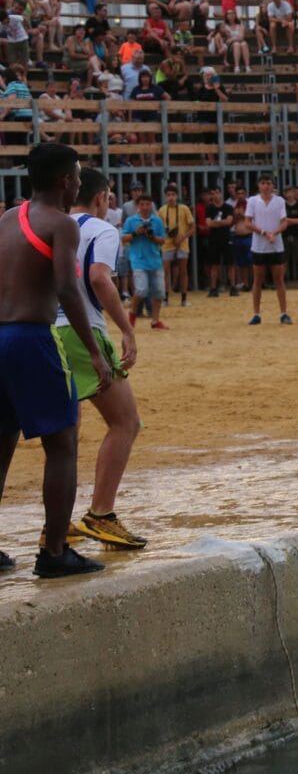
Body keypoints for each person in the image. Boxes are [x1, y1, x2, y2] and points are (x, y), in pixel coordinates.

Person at [0, 143, 111, 577]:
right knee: (62, 444)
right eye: (79, 177)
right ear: (66, 180)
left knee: (2, 441)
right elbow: (67, 287)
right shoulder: (62, 225)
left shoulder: (9, 217)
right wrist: (96, 352)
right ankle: (54, 551)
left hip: (1, 334)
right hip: (32, 338)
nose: (81, 184)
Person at [54, 168, 145, 549]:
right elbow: (98, 277)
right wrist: (126, 327)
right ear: (102, 198)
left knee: (64, 436)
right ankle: (101, 514)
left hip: (48, 331)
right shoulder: (101, 229)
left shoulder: (51, 224)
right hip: (83, 329)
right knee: (126, 422)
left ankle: (55, 526)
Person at [246, 174, 291, 325]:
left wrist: (275, 233)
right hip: (259, 245)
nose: (266, 186)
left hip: (276, 245)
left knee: (279, 279)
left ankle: (284, 312)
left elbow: (284, 222)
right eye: (263, 183)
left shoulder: (279, 201)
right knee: (258, 280)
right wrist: (264, 233)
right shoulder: (252, 201)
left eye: (268, 183)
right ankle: (256, 313)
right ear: (259, 185)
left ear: (272, 186)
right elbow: (247, 222)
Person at [121, 195, 168, 330]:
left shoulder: (157, 221)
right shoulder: (131, 221)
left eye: (147, 204)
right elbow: (124, 238)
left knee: (159, 291)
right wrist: (137, 233)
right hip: (139, 259)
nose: (145, 207)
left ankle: (155, 320)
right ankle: (131, 316)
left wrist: (151, 236)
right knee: (141, 290)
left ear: (151, 205)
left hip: (154, 260)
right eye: (142, 204)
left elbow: (162, 240)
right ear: (138, 206)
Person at [159, 183, 194, 307]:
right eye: (168, 195)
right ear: (165, 196)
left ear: (177, 196)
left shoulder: (184, 208)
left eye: (173, 195)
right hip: (167, 243)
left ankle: (184, 298)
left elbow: (192, 228)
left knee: (183, 270)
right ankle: (165, 298)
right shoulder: (162, 210)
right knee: (165, 271)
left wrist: (182, 237)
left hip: (182, 242)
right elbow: (160, 228)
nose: (171, 197)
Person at [202, 186, 234, 297]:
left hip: (226, 238)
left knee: (230, 264)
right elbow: (209, 224)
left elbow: (229, 222)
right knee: (214, 265)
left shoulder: (228, 207)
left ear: (221, 193)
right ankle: (213, 288)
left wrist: (216, 223)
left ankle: (233, 287)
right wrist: (222, 222)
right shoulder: (209, 208)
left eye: (217, 192)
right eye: (213, 193)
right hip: (214, 239)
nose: (215, 195)